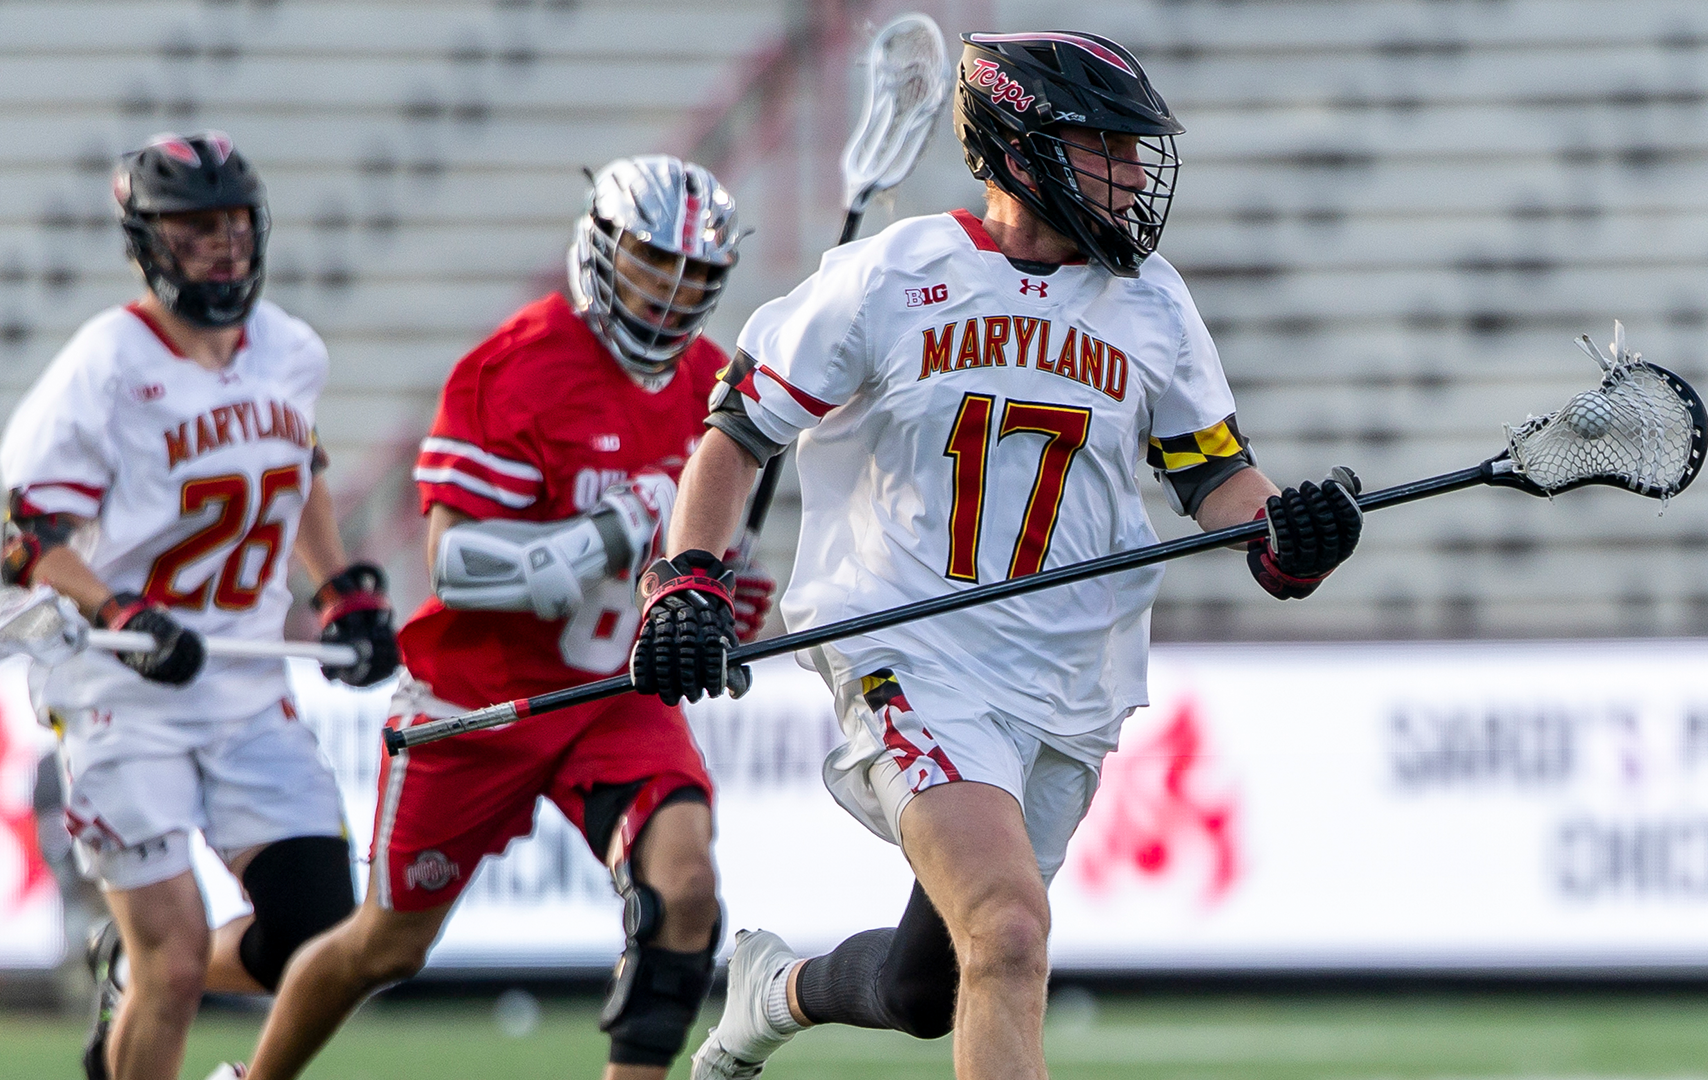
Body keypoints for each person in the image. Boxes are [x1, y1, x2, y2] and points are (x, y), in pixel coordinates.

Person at [636, 31, 1365, 1080]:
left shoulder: (1154, 302)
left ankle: (772, 990)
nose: (1129, 174)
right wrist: (686, 583)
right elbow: (738, 434)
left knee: (932, 987)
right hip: (911, 652)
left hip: (1069, 679)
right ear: (1021, 147)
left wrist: (1289, 535)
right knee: (1011, 931)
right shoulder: (892, 273)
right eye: (1104, 145)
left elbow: (1215, 482)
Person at [232, 155, 773, 1080]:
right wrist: (609, 528)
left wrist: (718, 592)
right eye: (652, 263)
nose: (670, 295)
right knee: (386, 946)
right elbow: (457, 562)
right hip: (479, 698)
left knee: (683, 891)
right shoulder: (515, 368)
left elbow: (709, 540)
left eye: (695, 277)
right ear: (601, 253)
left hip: (614, 693)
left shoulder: (709, 383)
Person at [0, 130, 399, 1080]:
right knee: (174, 963)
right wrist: (124, 613)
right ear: (147, 243)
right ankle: (142, 989)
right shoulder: (105, 364)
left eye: (231, 225)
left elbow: (297, 467)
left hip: (244, 683)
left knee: (322, 935)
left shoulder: (291, 350)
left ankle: (128, 979)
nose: (221, 247)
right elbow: (24, 537)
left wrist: (337, 588)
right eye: (193, 230)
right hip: (117, 690)